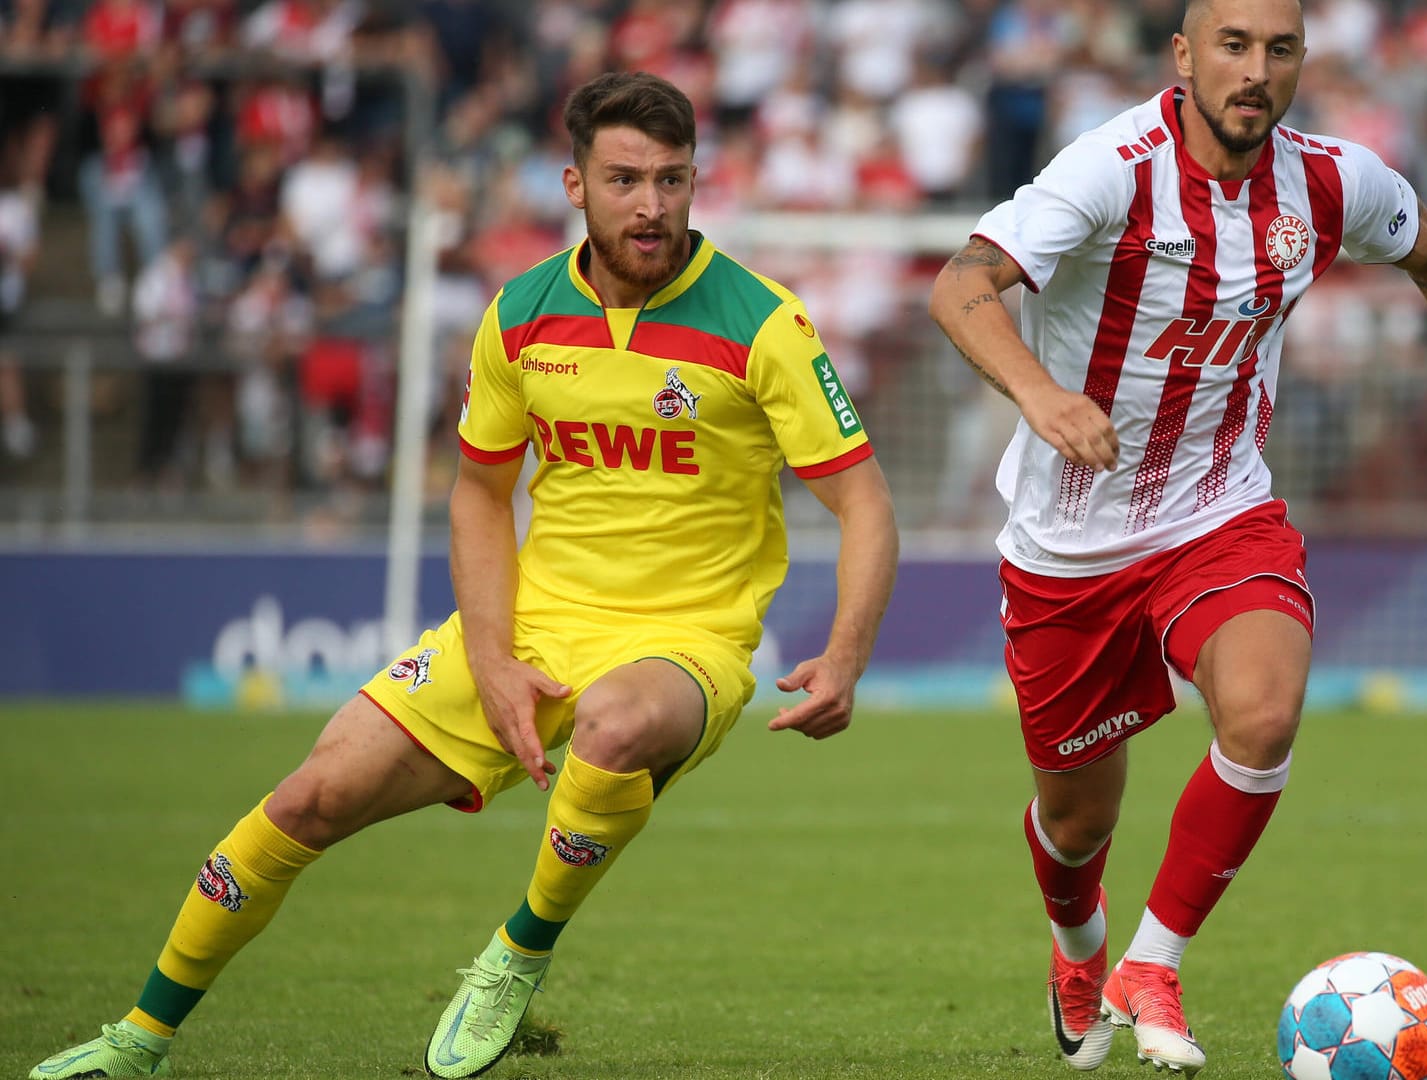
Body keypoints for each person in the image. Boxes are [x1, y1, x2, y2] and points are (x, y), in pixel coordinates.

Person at [31, 71, 899, 1080]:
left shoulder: (764, 324)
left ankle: (514, 955)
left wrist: (846, 656)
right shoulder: (519, 315)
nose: (651, 205)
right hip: (530, 627)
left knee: (615, 728)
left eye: (672, 178)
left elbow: (865, 501)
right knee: (309, 798)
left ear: (697, 178)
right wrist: (490, 656)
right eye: (625, 179)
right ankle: (138, 1042)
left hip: (684, 638)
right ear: (573, 183)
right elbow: (481, 495)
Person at [927, 0, 1427, 1072]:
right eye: (1233, 47)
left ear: (1301, 62)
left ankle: (1151, 964)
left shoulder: (1336, 181)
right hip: (1069, 543)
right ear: (1184, 56)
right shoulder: (1110, 167)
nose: (1255, 71)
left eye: (1279, 50)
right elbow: (962, 284)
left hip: (1219, 513)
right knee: (1073, 822)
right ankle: (1078, 947)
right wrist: (1044, 395)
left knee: (1263, 709)